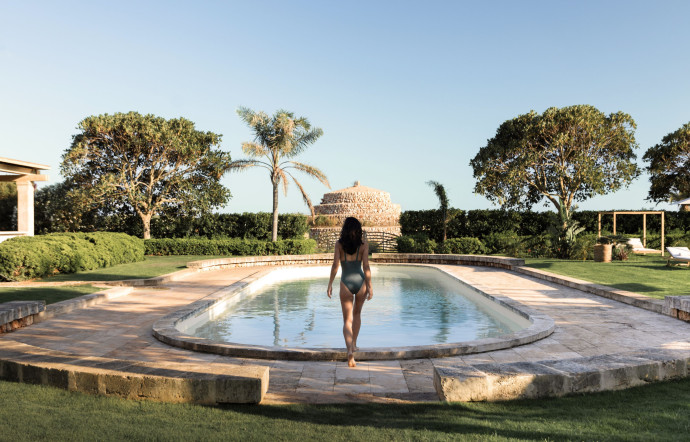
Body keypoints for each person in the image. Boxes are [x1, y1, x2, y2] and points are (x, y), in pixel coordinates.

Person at [327, 217, 373, 368]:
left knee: (347, 320)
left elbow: (335, 265)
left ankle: (349, 352)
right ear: (359, 230)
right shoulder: (364, 245)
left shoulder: (339, 244)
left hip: (345, 283)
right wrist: (370, 286)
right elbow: (366, 266)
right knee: (357, 315)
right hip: (360, 283)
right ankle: (354, 344)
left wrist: (330, 284)